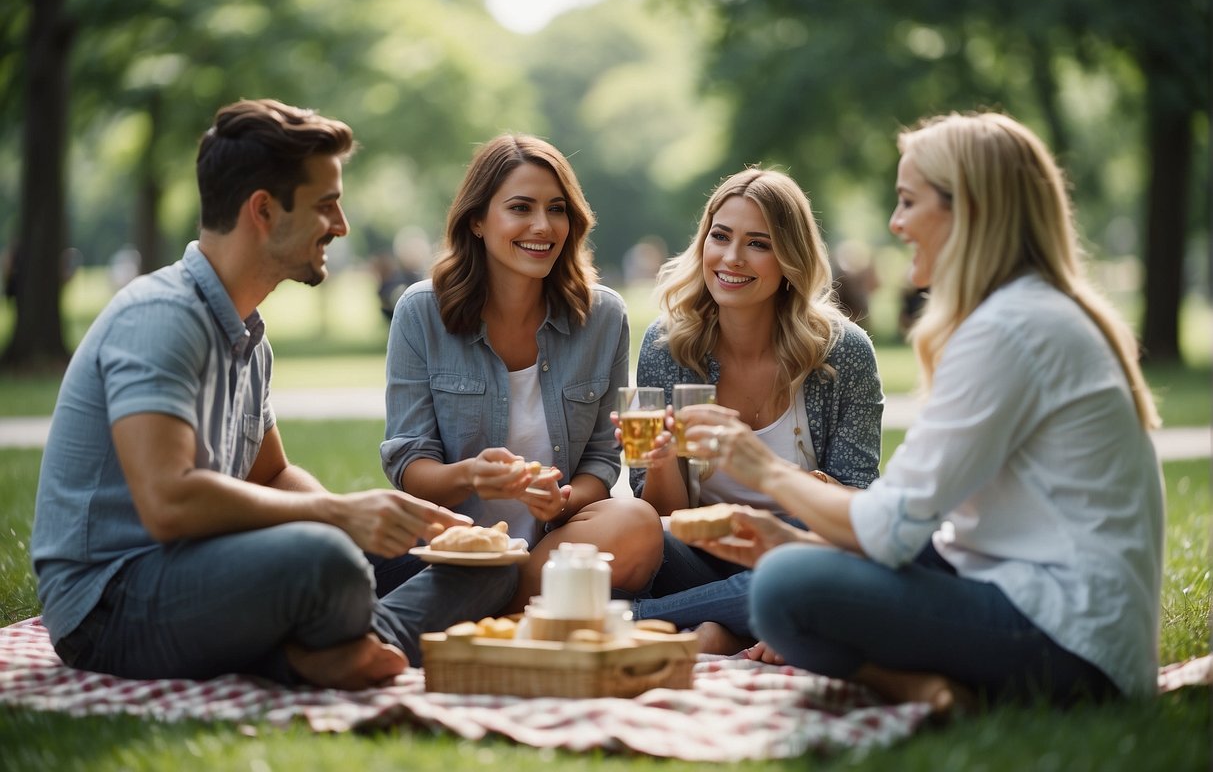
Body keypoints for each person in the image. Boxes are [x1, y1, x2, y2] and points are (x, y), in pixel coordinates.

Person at [680, 112, 1164, 710]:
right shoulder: (1026, 313)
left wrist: (764, 470)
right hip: (1037, 599)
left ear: (970, 211)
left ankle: (901, 679)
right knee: (793, 564)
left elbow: (889, 528)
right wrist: (786, 534)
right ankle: (922, 686)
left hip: (1071, 638)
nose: (896, 222)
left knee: (785, 587)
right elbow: (917, 518)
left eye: (909, 201)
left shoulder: (1010, 331)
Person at [29, 99, 516, 690]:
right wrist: (337, 519)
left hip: (216, 570)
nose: (341, 226)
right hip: (111, 603)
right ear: (263, 210)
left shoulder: (247, 336)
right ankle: (323, 646)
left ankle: (334, 648)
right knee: (327, 564)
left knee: (490, 563)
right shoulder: (160, 317)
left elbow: (274, 474)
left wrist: (390, 523)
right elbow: (169, 502)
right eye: (326, 205)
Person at [379, 134, 663, 612]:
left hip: (553, 548)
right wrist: (471, 476)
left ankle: (482, 613)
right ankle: (505, 609)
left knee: (636, 522)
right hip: (454, 546)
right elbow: (409, 463)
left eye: (556, 209)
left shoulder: (604, 317)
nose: (542, 225)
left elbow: (601, 460)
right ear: (476, 220)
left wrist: (564, 501)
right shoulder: (421, 311)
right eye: (520, 208)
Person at [626, 167, 884, 654]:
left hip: (800, 548)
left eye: (758, 243)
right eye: (719, 236)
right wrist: (660, 458)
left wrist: (770, 477)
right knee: (625, 527)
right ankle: (749, 624)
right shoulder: (667, 348)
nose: (731, 258)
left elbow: (860, 503)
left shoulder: (843, 351)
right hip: (699, 555)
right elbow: (663, 515)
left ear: (790, 257)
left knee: (829, 570)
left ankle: (635, 623)